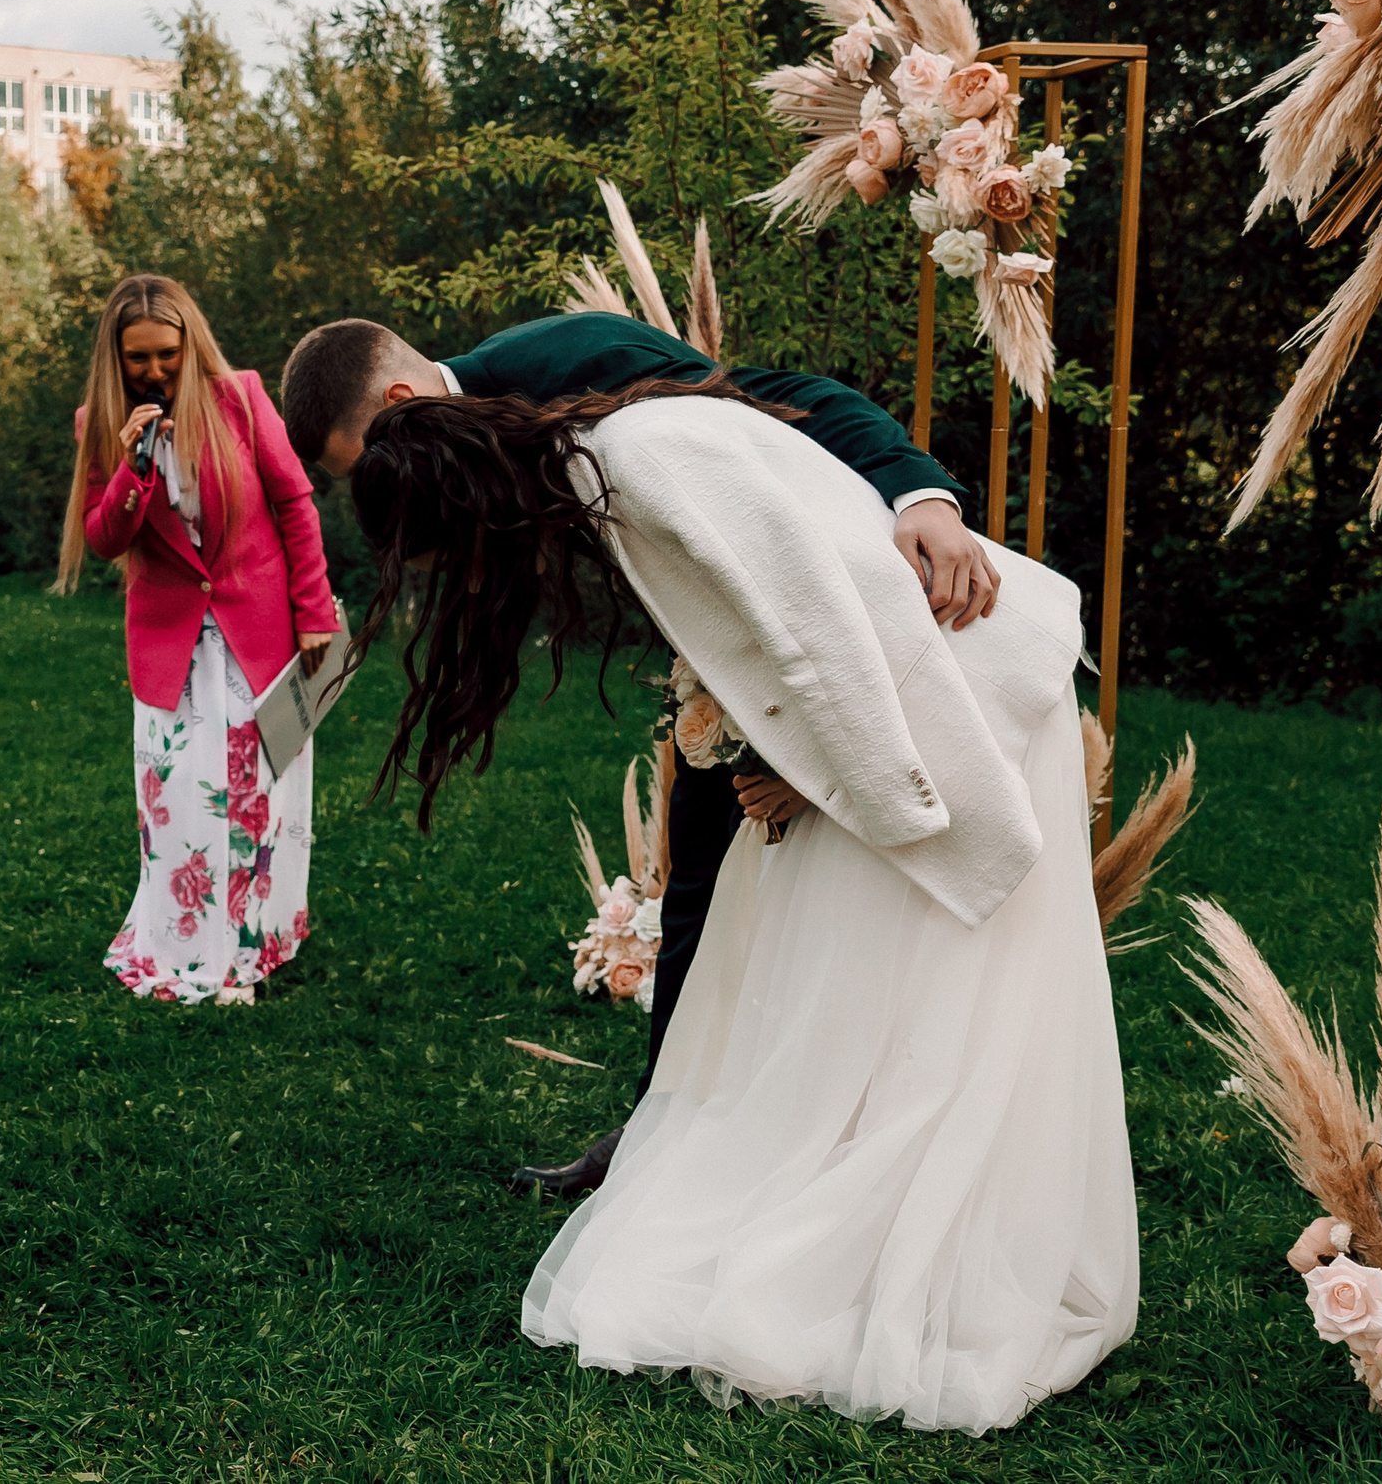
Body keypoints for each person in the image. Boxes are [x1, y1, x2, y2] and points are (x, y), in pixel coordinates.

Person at [346, 382, 1136, 1434]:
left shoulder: (641, 463)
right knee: (864, 997)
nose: (484, 577)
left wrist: (828, 783)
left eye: (455, 551)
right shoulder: (614, 459)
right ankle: (884, 1248)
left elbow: (830, 616)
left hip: (952, 704)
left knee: (933, 997)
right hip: (904, 711)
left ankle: (921, 1265)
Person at [280, 311, 996, 1197]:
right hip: (720, 660)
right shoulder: (473, 436)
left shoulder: (578, 367)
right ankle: (663, 1129)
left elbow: (781, 406)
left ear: (398, 399)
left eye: (367, 461)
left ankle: (847, 1141)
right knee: (694, 885)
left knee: (817, 900)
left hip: (854, 636)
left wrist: (921, 496)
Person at [56, 275, 340, 1005]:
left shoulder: (239, 397)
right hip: (171, 643)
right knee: (178, 798)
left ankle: (253, 947)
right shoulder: (100, 422)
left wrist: (314, 611)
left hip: (258, 631)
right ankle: (184, 945)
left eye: (167, 353)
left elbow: (294, 502)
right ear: (115, 357)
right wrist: (132, 469)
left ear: (190, 343)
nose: (153, 370)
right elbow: (103, 537)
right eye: (137, 357)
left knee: (256, 794)